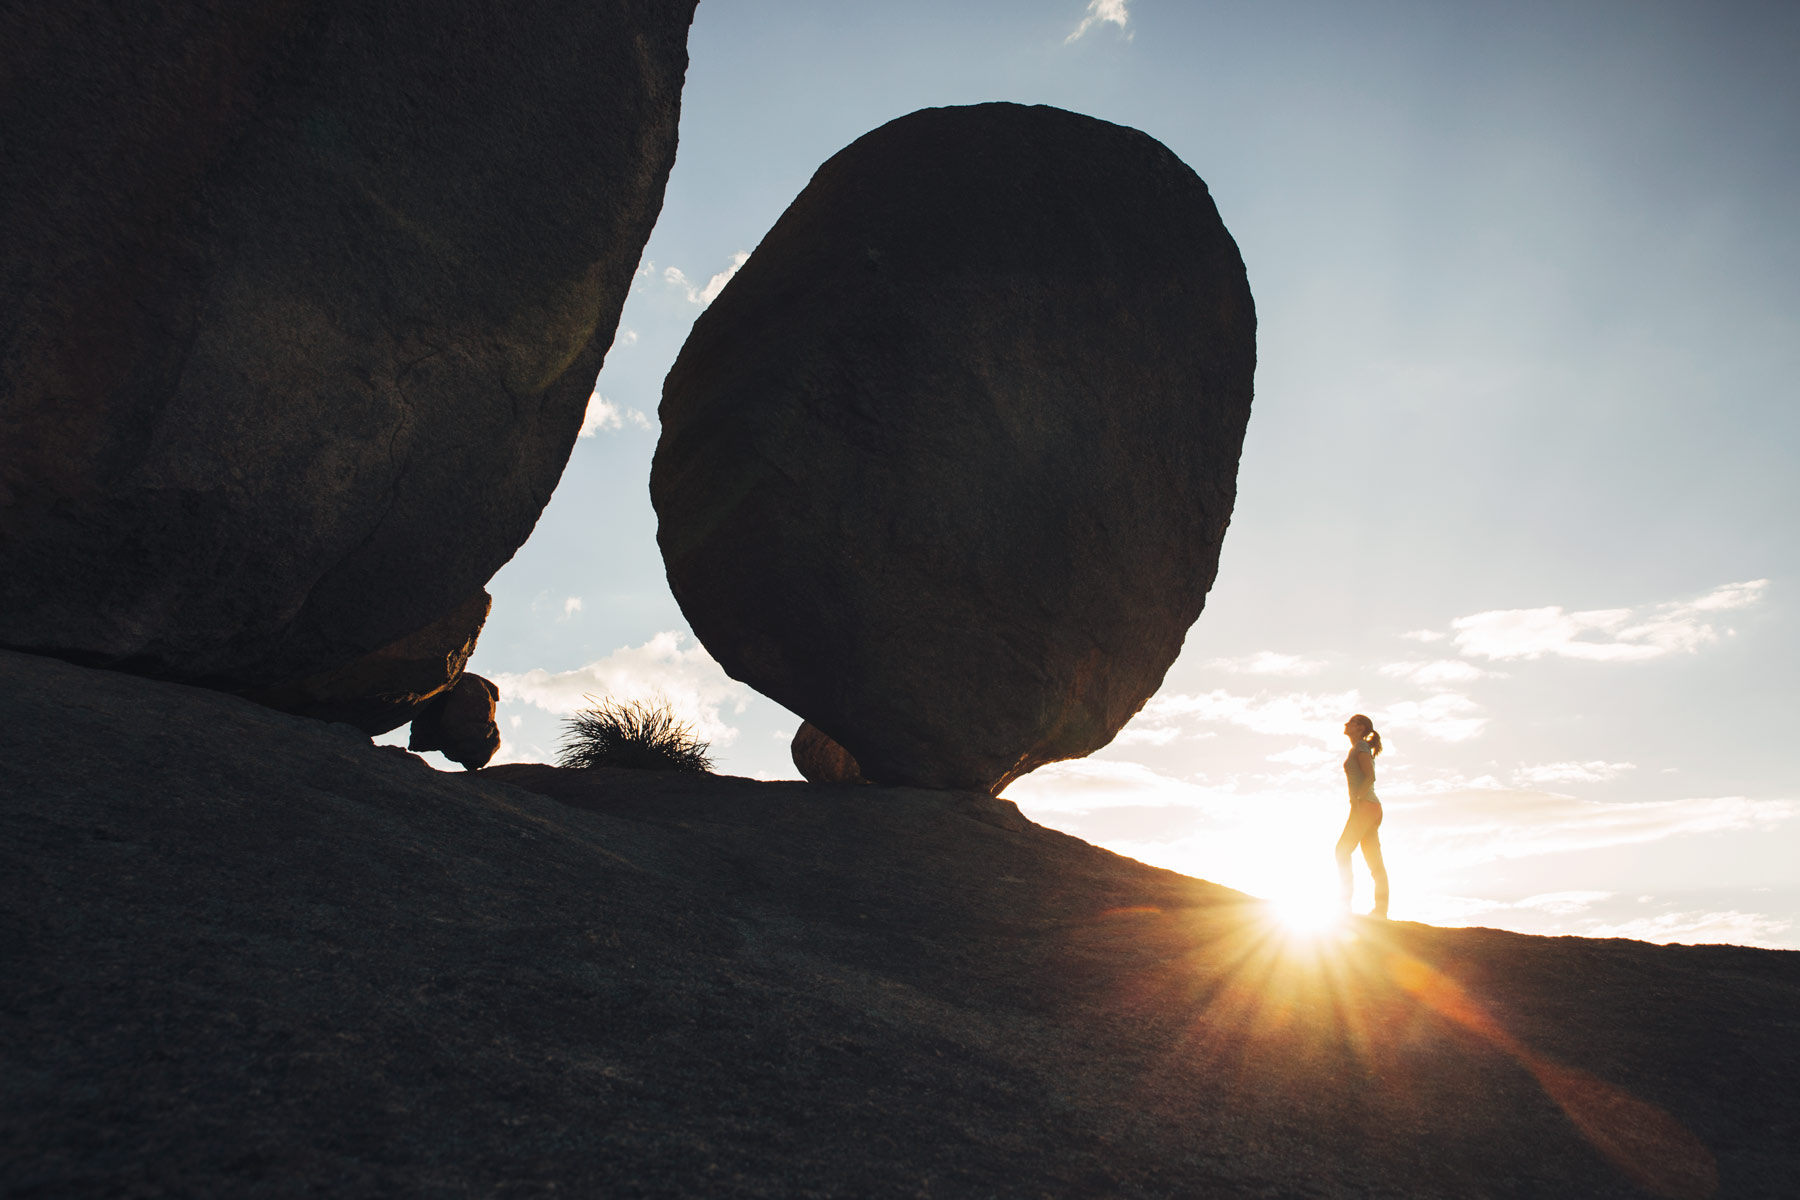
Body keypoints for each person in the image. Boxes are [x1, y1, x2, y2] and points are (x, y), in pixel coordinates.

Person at [1335, 713, 1389, 918]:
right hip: (1369, 807)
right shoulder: (1357, 748)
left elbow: (1370, 776)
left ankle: (1344, 906)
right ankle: (1381, 911)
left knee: (1342, 851)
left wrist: (1357, 800)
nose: (1346, 723)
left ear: (1360, 728)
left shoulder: (1361, 747)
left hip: (1365, 806)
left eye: (1351, 722)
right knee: (1373, 860)